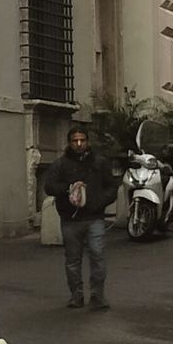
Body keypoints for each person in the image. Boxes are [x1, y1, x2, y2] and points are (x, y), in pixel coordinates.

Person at [41, 121, 117, 310]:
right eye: (75, 141)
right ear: (69, 143)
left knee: (98, 255)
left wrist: (99, 201)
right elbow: (49, 186)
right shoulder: (60, 164)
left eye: (82, 140)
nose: (79, 144)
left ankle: (98, 295)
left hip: (94, 217)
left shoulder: (99, 162)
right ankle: (76, 295)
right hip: (70, 219)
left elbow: (112, 187)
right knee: (72, 259)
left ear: (88, 141)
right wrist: (67, 189)